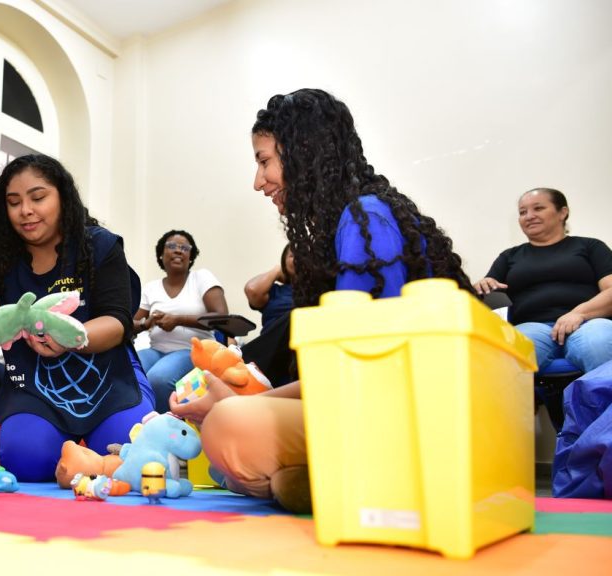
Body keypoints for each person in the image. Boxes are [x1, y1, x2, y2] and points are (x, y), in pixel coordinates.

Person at [170, 88, 473, 513]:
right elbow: (347, 369)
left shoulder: (364, 218)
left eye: (263, 161)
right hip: (391, 408)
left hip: (408, 422)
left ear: (302, 152)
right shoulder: (356, 219)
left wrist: (240, 405)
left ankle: (346, 481)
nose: (258, 181)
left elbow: (367, 371)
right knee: (228, 442)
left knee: (227, 428)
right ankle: (300, 480)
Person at [0, 154, 155, 481]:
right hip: (31, 385)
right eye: (14, 202)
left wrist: (68, 336)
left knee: (131, 458)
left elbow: (118, 323)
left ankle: (89, 446)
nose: (26, 211)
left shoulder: (99, 246)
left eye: (38, 197)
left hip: (109, 380)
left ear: (62, 196)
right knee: (26, 460)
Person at [473, 188, 612, 374]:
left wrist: (578, 313)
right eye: (523, 212)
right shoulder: (508, 257)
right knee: (509, 355)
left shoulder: (590, 246)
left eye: (538, 208)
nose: (529, 216)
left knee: (598, 342)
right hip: (532, 327)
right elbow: (490, 298)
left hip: (587, 322)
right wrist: (482, 286)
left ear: (563, 212)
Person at [133, 230, 228, 413]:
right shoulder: (151, 288)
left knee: (158, 378)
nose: (178, 251)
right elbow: (129, 323)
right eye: (171, 246)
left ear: (191, 257)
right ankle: (135, 426)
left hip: (194, 350)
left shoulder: (201, 278)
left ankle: (162, 428)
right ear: (161, 254)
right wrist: (147, 323)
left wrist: (178, 320)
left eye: (184, 248)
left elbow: (221, 316)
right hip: (156, 349)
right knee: (129, 373)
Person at [244, 243, 295, 336]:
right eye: (292, 255)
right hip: (272, 345)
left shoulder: (321, 289)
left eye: (303, 254)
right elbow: (252, 290)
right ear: (284, 263)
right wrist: (277, 270)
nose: (298, 259)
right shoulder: (275, 291)